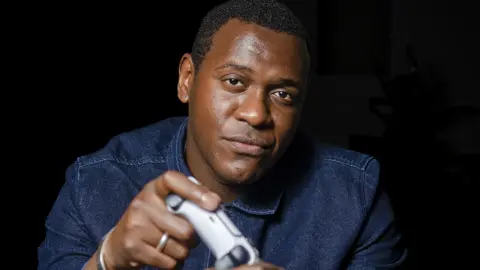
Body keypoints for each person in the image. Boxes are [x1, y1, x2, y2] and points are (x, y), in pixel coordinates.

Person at [38, 0, 407, 269]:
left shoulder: (355, 194)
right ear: (187, 80)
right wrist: (107, 260)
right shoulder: (97, 181)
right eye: (234, 82)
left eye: (283, 95)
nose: (256, 114)